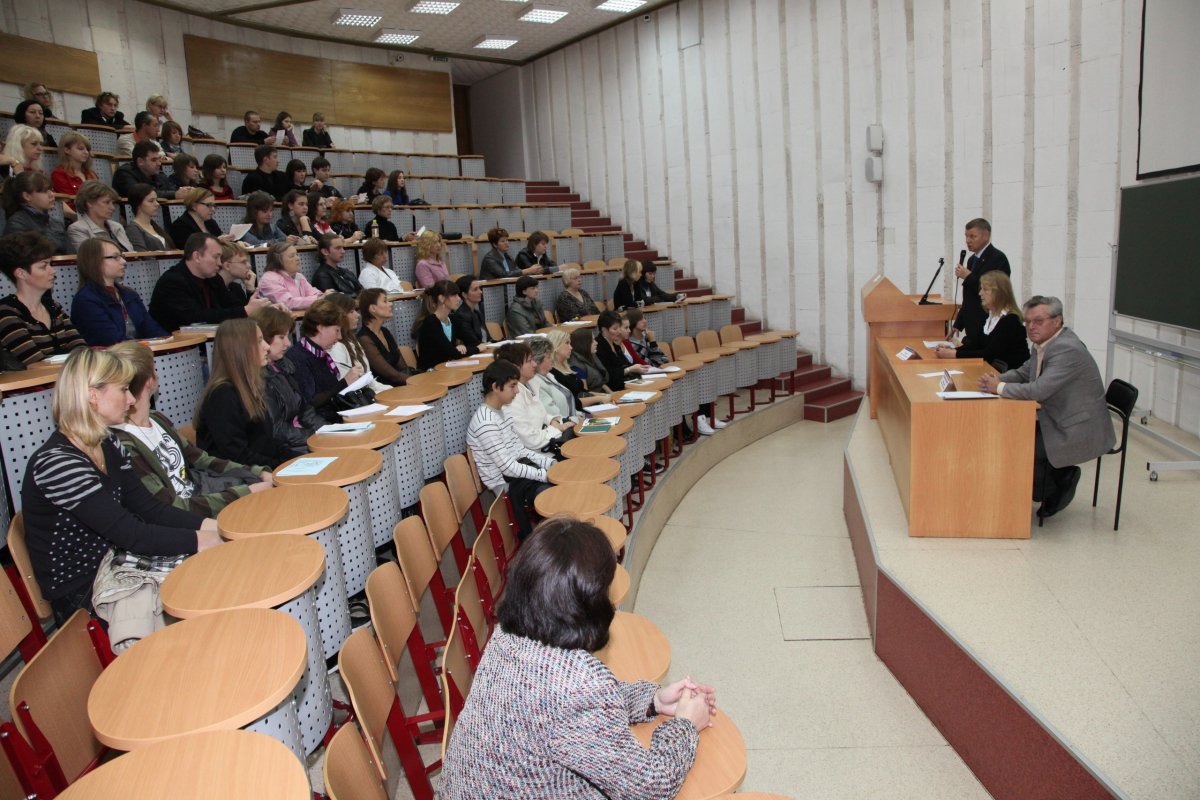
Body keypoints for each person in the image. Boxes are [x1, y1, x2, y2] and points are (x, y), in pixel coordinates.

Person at [440, 515, 713, 798]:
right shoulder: (578, 685)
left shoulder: (505, 637)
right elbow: (649, 788)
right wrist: (686, 726)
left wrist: (652, 701)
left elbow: (559, 709)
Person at [22, 348, 219, 623]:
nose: (130, 399)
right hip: (85, 592)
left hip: (119, 563)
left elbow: (151, 509)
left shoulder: (107, 442)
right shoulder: (58, 464)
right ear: (93, 395)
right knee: (214, 581)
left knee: (219, 570)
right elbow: (132, 535)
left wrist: (215, 529)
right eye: (124, 389)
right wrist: (205, 540)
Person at [978, 296, 1115, 519]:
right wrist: (998, 378)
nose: (1031, 327)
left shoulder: (1066, 349)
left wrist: (999, 388)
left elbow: (1038, 390)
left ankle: (1061, 482)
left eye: (1038, 321)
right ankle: (1049, 479)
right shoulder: (1043, 343)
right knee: (1009, 438)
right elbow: (1023, 373)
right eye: (1028, 321)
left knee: (1021, 449)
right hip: (1055, 415)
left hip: (1077, 425)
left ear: (1057, 321)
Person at [110, 341, 273, 516]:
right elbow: (169, 506)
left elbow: (202, 460)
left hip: (201, 498)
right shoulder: (123, 443)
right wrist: (244, 493)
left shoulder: (157, 419)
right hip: (187, 516)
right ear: (150, 381)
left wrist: (257, 472)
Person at [464, 360, 556, 539]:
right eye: (512, 386)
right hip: (505, 484)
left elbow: (520, 450)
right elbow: (507, 467)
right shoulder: (486, 422)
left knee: (560, 476)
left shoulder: (503, 410)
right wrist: (544, 475)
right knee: (552, 493)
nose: (517, 391)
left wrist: (550, 463)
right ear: (495, 387)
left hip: (517, 473)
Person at [196, 318, 296, 468]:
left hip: (259, 469)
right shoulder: (222, 396)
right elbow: (236, 456)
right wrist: (283, 465)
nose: (267, 347)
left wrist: (296, 458)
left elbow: (266, 443)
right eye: (259, 341)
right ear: (239, 349)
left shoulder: (248, 386)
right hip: (240, 478)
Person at [149, 233, 271, 332]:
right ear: (197, 256)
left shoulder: (213, 279)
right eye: (215, 257)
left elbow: (231, 306)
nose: (219, 263)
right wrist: (245, 310)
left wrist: (264, 307)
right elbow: (195, 319)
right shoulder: (172, 282)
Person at [0, 232, 86, 363]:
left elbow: (82, 351)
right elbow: (34, 363)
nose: (52, 271)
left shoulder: (54, 308)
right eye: (43, 266)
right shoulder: (6, 313)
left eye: (50, 264)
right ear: (21, 273)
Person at [253, 306, 325, 454]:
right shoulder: (258, 378)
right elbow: (277, 431)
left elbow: (306, 411)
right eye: (281, 337)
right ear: (265, 337)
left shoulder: (285, 366)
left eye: (288, 336)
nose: (288, 344)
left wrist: (328, 431)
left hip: (301, 439)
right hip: (288, 448)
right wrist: (315, 437)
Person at [71, 238, 166, 345]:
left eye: (122, 256)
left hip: (138, 354)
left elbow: (150, 327)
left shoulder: (129, 294)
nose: (124, 262)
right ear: (95, 262)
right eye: (116, 257)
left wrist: (166, 341)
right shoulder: (86, 300)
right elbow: (111, 340)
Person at [286, 299, 366, 423]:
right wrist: (345, 382)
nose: (339, 337)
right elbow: (311, 402)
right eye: (337, 330)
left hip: (334, 417)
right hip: (320, 424)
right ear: (321, 328)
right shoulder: (297, 357)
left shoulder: (320, 354)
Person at [935, 271, 1029, 371]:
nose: (980, 293)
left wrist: (954, 354)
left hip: (1011, 378)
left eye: (985, 289)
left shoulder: (1010, 320)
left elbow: (989, 354)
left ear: (999, 293)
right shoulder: (991, 317)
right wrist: (951, 350)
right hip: (992, 372)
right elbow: (976, 345)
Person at [495, 341, 575, 451]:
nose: (534, 364)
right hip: (537, 454)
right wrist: (557, 429)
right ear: (515, 367)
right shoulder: (512, 397)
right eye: (529, 361)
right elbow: (531, 440)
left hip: (547, 442)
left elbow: (541, 415)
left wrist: (552, 420)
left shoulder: (531, 383)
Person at [953, 218, 1011, 344]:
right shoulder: (971, 260)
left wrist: (969, 276)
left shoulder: (998, 258)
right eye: (966, 236)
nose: (968, 240)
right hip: (971, 326)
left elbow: (995, 292)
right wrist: (958, 323)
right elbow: (969, 297)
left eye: (972, 236)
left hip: (986, 323)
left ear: (986, 236)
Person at [324, 292, 390, 392]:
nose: (357, 315)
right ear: (339, 316)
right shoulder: (334, 347)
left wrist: (390, 390)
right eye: (351, 311)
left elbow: (368, 380)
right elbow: (350, 387)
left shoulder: (352, 339)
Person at [1, 172, 70, 254]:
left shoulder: (54, 221)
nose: (52, 194)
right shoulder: (17, 223)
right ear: (27, 196)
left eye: (51, 190)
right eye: (44, 191)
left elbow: (70, 251)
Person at [357, 288, 411, 386]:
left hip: (400, 383)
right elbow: (391, 375)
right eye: (385, 301)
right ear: (373, 308)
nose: (390, 304)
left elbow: (402, 366)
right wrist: (414, 381)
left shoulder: (385, 332)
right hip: (384, 389)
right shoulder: (364, 338)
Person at [547, 329, 612, 410]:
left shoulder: (567, 367)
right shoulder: (552, 372)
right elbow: (572, 401)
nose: (571, 347)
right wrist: (599, 398)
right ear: (556, 346)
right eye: (567, 343)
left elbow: (583, 392)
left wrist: (602, 395)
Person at [414, 279, 469, 370]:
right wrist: (477, 348)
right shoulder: (431, 322)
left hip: (446, 368)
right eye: (454, 295)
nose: (459, 299)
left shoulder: (452, 319)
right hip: (429, 372)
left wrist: (463, 347)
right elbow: (453, 353)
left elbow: (472, 341)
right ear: (441, 298)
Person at [66, 181, 133, 253]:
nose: (112, 208)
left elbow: (131, 254)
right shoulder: (77, 229)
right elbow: (91, 257)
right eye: (106, 202)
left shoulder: (117, 226)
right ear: (89, 203)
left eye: (112, 203)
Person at [259, 241, 326, 309]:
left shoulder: (299, 276)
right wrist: (319, 299)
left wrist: (323, 296)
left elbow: (314, 293)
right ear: (278, 260)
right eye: (292, 256)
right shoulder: (269, 279)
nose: (298, 258)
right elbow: (288, 303)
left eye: (297, 254)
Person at [594, 310, 647, 392]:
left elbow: (625, 365)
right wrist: (630, 369)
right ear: (604, 330)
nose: (619, 331)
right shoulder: (599, 347)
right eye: (615, 329)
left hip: (625, 384)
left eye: (619, 327)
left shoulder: (614, 344)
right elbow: (609, 376)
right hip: (614, 389)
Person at [111, 140, 176, 198]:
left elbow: (172, 190)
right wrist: (174, 194)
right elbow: (140, 195)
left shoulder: (160, 175)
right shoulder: (124, 173)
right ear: (140, 161)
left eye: (159, 159)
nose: (159, 163)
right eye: (154, 160)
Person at [50, 132, 97, 208]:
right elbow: (70, 203)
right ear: (67, 150)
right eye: (80, 149)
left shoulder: (91, 173)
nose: (86, 152)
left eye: (87, 149)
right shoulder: (59, 174)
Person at [123, 183, 174, 251]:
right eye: (151, 201)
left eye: (156, 200)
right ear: (138, 203)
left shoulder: (155, 226)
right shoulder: (133, 229)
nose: (157, 204)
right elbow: (142, 256)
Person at [216, 240, 261, 306]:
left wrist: (250, 289)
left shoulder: (236, 288)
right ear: (227, 266)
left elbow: (249, 313)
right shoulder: (213, 291)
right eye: (243, 262)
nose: (249, 266)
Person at [568, 326, 611, 394]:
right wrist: (606, 397)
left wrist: (611, 393)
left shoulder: (591, 355)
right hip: (596, 399)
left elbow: (600, 382)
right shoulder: (576, 366)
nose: (596, 343)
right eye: (592, 341)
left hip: (602, 395)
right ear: (583, 344)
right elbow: (585, 393)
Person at [452, 275, 490, 350]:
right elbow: (473, 342)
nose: (480, 292)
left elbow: (488, 338)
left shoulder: (477, 312)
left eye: (479, 288)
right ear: (464, 295)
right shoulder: (460, 316)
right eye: (475, 289)